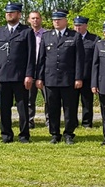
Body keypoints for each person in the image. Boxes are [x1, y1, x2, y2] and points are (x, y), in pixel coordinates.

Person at [0, 2, 37, 143]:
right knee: (4, 108)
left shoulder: (27, 31)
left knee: (22, 108)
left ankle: (24, 135)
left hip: (20, 76)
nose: (9, 14)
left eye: (12, 12)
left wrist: (29, 75)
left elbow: (31, 55)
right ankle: (6, 135)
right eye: (7, 12)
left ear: (19, 14)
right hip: (3, 76)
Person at [36, 10, 85, 145]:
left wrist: (78, 78)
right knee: (52, 108)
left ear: (65, 21)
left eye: (59, 19)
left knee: (70, 108)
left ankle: (69, 133)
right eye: (54, 20)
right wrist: (39, 77)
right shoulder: (47, 36)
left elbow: (79, 60)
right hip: (51, 79)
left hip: (68, 79)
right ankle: (54, 133)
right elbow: (41, 59)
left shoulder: (74, 36)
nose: (56, 22)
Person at [73, 16, 99, 128]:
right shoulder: (71, 38)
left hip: (87, 75)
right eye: (75, 25)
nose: (77, 28)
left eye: (80, 25)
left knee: (87, 102)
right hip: (73, 76)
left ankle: (87, 123)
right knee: (72, 102)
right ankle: (73, 122)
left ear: (86, 26)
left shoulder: (94, 39)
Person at [25, 10, 47, 129]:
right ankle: (29, 121)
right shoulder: (25, 34)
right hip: (30, 69)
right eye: (33, 18)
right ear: (29, 20)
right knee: (29, 98)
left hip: (44, 69)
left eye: (37, 18)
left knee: (48, 97)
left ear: (41, 19)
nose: (35, 20)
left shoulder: (47, 34)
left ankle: (49, 120)